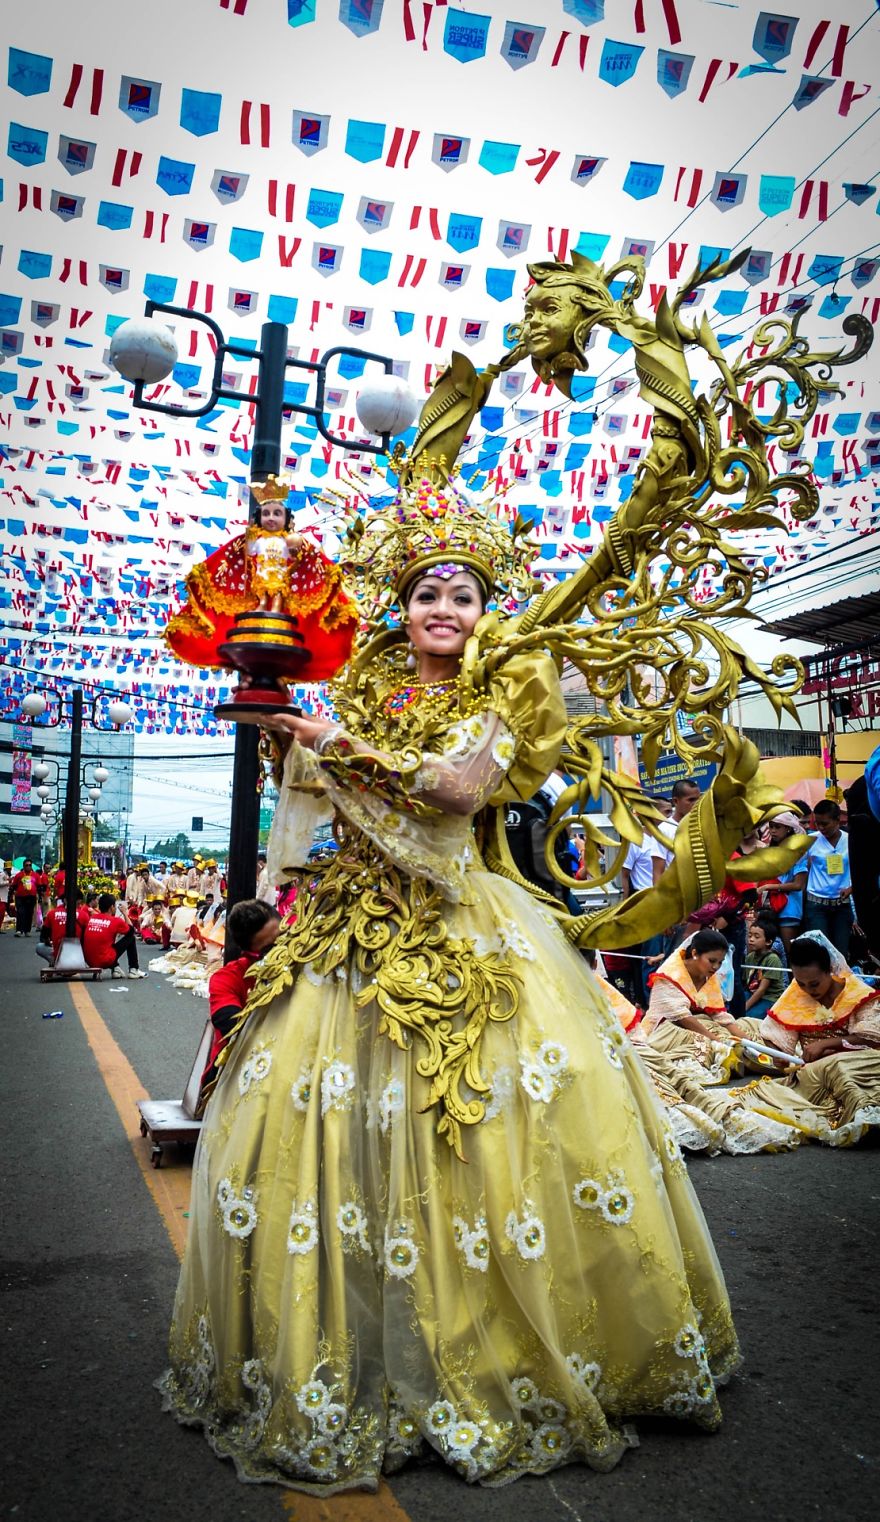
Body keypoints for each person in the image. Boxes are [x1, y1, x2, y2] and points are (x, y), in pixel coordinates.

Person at [159, 482, 741, 1494]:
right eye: (427, 592)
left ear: (482, 613)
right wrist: (283, 728)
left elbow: (457, 792)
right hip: (344, 937)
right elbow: (322, 800)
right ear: (402, 607)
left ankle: (483, 1348)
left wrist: (329, 742)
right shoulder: (369, 695)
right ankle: (357, 1351)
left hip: (465, 928)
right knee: (331, 1139)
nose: (442, 608)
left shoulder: (497, 698)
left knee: (474, 1142)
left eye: (462, 595)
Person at [731, 932, 880, 1144]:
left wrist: (827, 1044)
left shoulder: (857, 993)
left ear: (830, 971)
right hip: (815, 1075)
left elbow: (872, 1038)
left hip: (859, 1065)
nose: (808, 990)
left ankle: (866, 1114)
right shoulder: (796, 995)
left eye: (814, 983)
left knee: (839, 1066)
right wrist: (781, 1057)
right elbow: (775, 1037)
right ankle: (861, 1117)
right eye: (801, 984)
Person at [634, 929, 758, 1082]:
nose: (716, 967)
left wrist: (748, 1042)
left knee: (746, 1029)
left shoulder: (708, 976)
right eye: (712, 961)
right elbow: (683, 1017)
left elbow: (719, 1014)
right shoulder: (669, 974)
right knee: (705, 1044)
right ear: (694, 953)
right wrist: (717, 1041)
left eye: (720, 962)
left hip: (696, 1026)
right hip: (665, 1031)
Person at [197, 899, 282, 1110]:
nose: (281, 949)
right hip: (239, 1066)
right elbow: (231, 1026)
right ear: (250, 950)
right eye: (270, 947)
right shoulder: (226, 978)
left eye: (283, 938)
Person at [802, 800, 853, 958]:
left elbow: (863, 869)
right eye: (817, 823)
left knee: (840, 953)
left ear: (837, 820)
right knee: (819, 952)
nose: (821, 828)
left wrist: (852, 888)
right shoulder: (811, 840)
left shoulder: (850, 840)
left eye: (825, 823)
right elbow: (802, 868)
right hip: (816, 904)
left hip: (842, 905)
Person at [757, 812, 810, 952]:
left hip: (789, 909)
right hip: (769, 908)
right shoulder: (769, 850)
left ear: (788, 828)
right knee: (767, 950)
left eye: (777, 827)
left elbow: (798, 885)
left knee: (790, 952)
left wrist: (768, 886)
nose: (773, 830)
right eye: (771, 826)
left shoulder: (798, 852)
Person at [82, 894, 146, 978]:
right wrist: (125, 913)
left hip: (89, 961)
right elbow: (131, 931)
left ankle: (115, 969)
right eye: (115, 906)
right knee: (131, 938)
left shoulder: (92, 918)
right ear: (111, 907)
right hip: (104, 960)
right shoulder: (115, 921)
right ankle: (134, 969)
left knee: (107, 944)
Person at [742, 918, 786, 1019]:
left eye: (756, 937)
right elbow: (746, 982)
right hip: (751, 992)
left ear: (768, 941)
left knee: (748, 1016)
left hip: (769, 998)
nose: (751, 939)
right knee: (731, 1008)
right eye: (750, 935)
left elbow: (762, 990)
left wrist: (745, 1007)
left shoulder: (772, 959)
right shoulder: (750, 957)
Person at [11, 859, 39, 936]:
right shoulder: (18, 875)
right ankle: (19, 930)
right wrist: (10, 895)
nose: (28, 867)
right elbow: (13, 886)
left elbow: (39, 886)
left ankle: (27, 931)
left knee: (29, 913)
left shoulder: (35, 875)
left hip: (31, 897)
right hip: (20, 897)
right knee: (20, 912)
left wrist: (39, 897)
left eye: (30, 865)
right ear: (23, 866)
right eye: (27, 865)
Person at [0, 859, 11, 933]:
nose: (10, 870)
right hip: (1, 897)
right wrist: (8, 882)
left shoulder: (6, 875)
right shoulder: (2, 875)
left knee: (2, 914)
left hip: (4, 897)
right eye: (9, 868)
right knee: (1, 913)